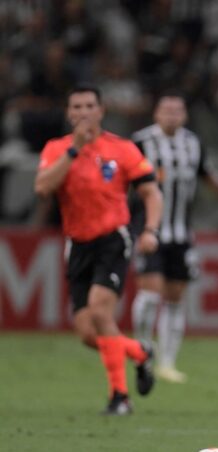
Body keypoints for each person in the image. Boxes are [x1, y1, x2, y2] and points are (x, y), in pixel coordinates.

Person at [34, 85, 162, 415]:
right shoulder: (57, 149)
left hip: (113, 239)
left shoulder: (122, 149)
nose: (83, 112)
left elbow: (151, 192)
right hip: (77, 243)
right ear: (68, 113)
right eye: (76, 106)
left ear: (101, 111)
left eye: (90, 105)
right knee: (88, 334)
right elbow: (43, 188)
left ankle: (119, 397)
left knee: (100, 312)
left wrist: (149, 229)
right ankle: (139, 352)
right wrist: (75, 149)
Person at [129, 93, 218, 383]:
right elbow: (123, 180)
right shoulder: (140, 142)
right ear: (156, 113)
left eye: (177, 111)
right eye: (166, 110)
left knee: (175, 297)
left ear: (184, 115)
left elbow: (207, 173)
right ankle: (142, 348)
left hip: (181, 233)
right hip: (149, 230)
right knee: (150, 295)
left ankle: (167, 363)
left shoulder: (192, 143)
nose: (171, 116)